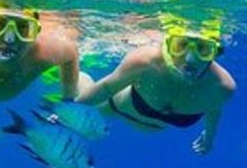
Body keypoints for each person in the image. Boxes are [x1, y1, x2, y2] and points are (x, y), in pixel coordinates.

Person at [75, 17, 235, 155]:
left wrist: (209, 136)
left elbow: (214, 107)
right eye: (180, 46)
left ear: (215, 53)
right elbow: (106, 88)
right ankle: (73, 69)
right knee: (84, 91)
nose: (189, 59)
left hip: (146, 125)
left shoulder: (221, 87)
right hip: (113, 108)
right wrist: (67, 109)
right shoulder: (146, 62)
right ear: (168, 46)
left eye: (203, 49)